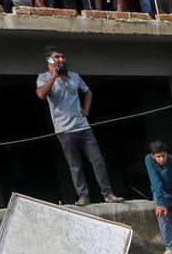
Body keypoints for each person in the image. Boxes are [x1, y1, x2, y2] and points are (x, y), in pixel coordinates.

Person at [35, 48, 120, 205]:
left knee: (97, 161)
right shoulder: (43, 78)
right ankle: (84, 196)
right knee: (75, 166)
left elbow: (88, 92)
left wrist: (86, 110)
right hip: (64, 131)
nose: (61, 59)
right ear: (49, 61)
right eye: (57, 57)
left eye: (62, 56)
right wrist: (54, 76)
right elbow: (41, 94)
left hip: (83, 127)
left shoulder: (74, 76)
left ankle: (108, 194)